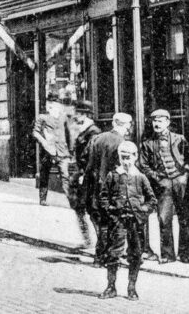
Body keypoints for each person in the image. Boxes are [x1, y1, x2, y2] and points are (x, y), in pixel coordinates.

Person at [98, 141, 156, 300]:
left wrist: (143, 211)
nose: (126, 161)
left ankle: (132, 288)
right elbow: (103, 197)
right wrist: (110, 211)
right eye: (123, 158)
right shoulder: (113, 176)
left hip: (136, 222)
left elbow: (152, 200)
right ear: (119, 157)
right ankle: (111, 287)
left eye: (129, 158)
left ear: (136, 157)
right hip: (118, 222)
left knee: (136, 254)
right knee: (114, 253)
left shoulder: (141, 177)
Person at [139, 108, 189, 264]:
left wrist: (185, 175)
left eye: (160, 120)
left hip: (180, 182)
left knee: (184, 218)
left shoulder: (179, 139)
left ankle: (185, 254)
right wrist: (157, 178)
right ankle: (168, 255)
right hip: (163, 185)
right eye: (154, 121)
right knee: (164, 218)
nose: (157, 124)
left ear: (168, 122)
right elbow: (144, 165)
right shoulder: (147, 143)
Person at [84, 111, 132, 266]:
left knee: (102, 224)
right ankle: (107, 256)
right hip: (113, 188)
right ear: (127, 126)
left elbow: (88, 163)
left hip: (95, 187)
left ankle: (99, 258)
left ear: (113, 123)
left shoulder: (97, 139)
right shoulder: (123, 143)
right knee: (113, 223)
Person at [70, 100, 101, 249]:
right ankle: (88, 241)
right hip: (81, 174)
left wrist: (84, 173)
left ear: (85, 114)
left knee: (92, 209)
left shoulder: (93, 131)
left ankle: (99, 243)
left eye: (77, 113)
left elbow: (92, 156)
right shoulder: (83, 129)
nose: (75, 116)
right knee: (79, 207)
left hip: (87, 176)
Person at [33, 94, 71, 206]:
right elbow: (35, 132)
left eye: (59, 106)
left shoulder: (64, 118)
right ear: (50, 107)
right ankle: (43, 199)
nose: (58, 108)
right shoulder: (42, 118)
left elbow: (69, 134)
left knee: (66, 176)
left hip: (62, 151)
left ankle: (71, 202)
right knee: (44, 174)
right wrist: (44, 142)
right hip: (47, 152)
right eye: (55, 106)